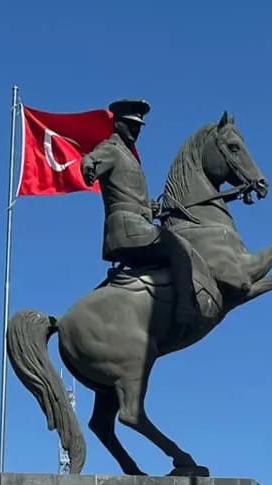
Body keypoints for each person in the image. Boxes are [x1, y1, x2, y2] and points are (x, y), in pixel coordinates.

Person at [80, 99, 197, 331]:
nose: (135, 130)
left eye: (138, 127)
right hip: (125, 228)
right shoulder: (111, 149)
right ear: (118, 123)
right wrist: (89, 168)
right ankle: (185, 307)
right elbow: (91, 159)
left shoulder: (129, 156)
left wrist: (149, 209)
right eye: (131, 124)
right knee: (180, 246)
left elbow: (128, 195)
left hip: (137, 224)